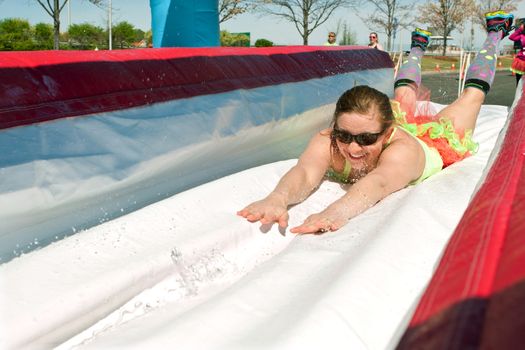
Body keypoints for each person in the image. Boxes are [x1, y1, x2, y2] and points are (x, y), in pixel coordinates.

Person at [238, 11, 514, 234]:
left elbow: (378, 183)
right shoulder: (329, 140)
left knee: (471, 96)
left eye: (367, 139)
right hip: (392, 124)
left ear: (388, 132)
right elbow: (305, 172)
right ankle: (417, 48)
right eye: (344, 135)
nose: (353, 148)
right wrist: (278, 198)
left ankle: (495, 32)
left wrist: (335, 212)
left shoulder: (401, 150)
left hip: (434, 143)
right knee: (404, 93)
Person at [509, 18, 525, 84]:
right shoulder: (521, 36)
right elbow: (511, 37)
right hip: (521, 61)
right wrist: (520, 29)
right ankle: (519, 93)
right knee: (519, 82)